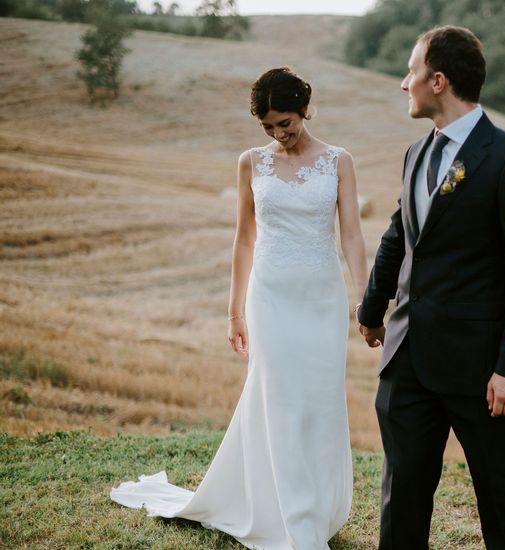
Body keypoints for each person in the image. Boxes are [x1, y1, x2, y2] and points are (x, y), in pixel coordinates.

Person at [110, 67, 368, 550]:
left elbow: (352, 233)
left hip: (321, 297)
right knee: (279, 397)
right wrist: (234, 311)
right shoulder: (252, 163)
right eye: (269, 126)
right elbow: (244, 237)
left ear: (305, 109)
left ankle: (315, 506)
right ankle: (295, 521)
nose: (279, 134)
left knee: (317, 402)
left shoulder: (339, 161)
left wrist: (363, 297)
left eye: (285, 122)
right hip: (269, 296)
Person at [357, 26, 505, 550]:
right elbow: (399, 235)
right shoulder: (416, 154)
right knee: (402, 498)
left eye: (412, 72)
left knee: (503, 498)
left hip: (483, 373)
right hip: (408, 360)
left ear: (438, 81)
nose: (404, 84)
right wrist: (371, 309)